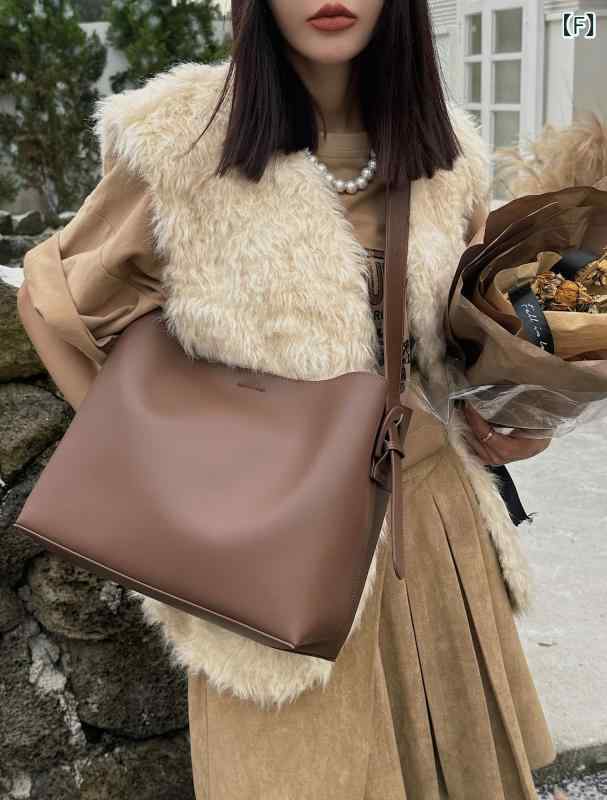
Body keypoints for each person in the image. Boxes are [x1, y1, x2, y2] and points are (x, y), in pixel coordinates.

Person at [17, 0, 557, 797]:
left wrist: (517, 418)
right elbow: (53, 302)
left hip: (432, 534)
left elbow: (456, 346)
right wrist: (160, 467)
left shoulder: (446, 153)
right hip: (269, 553)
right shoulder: (183, 138)